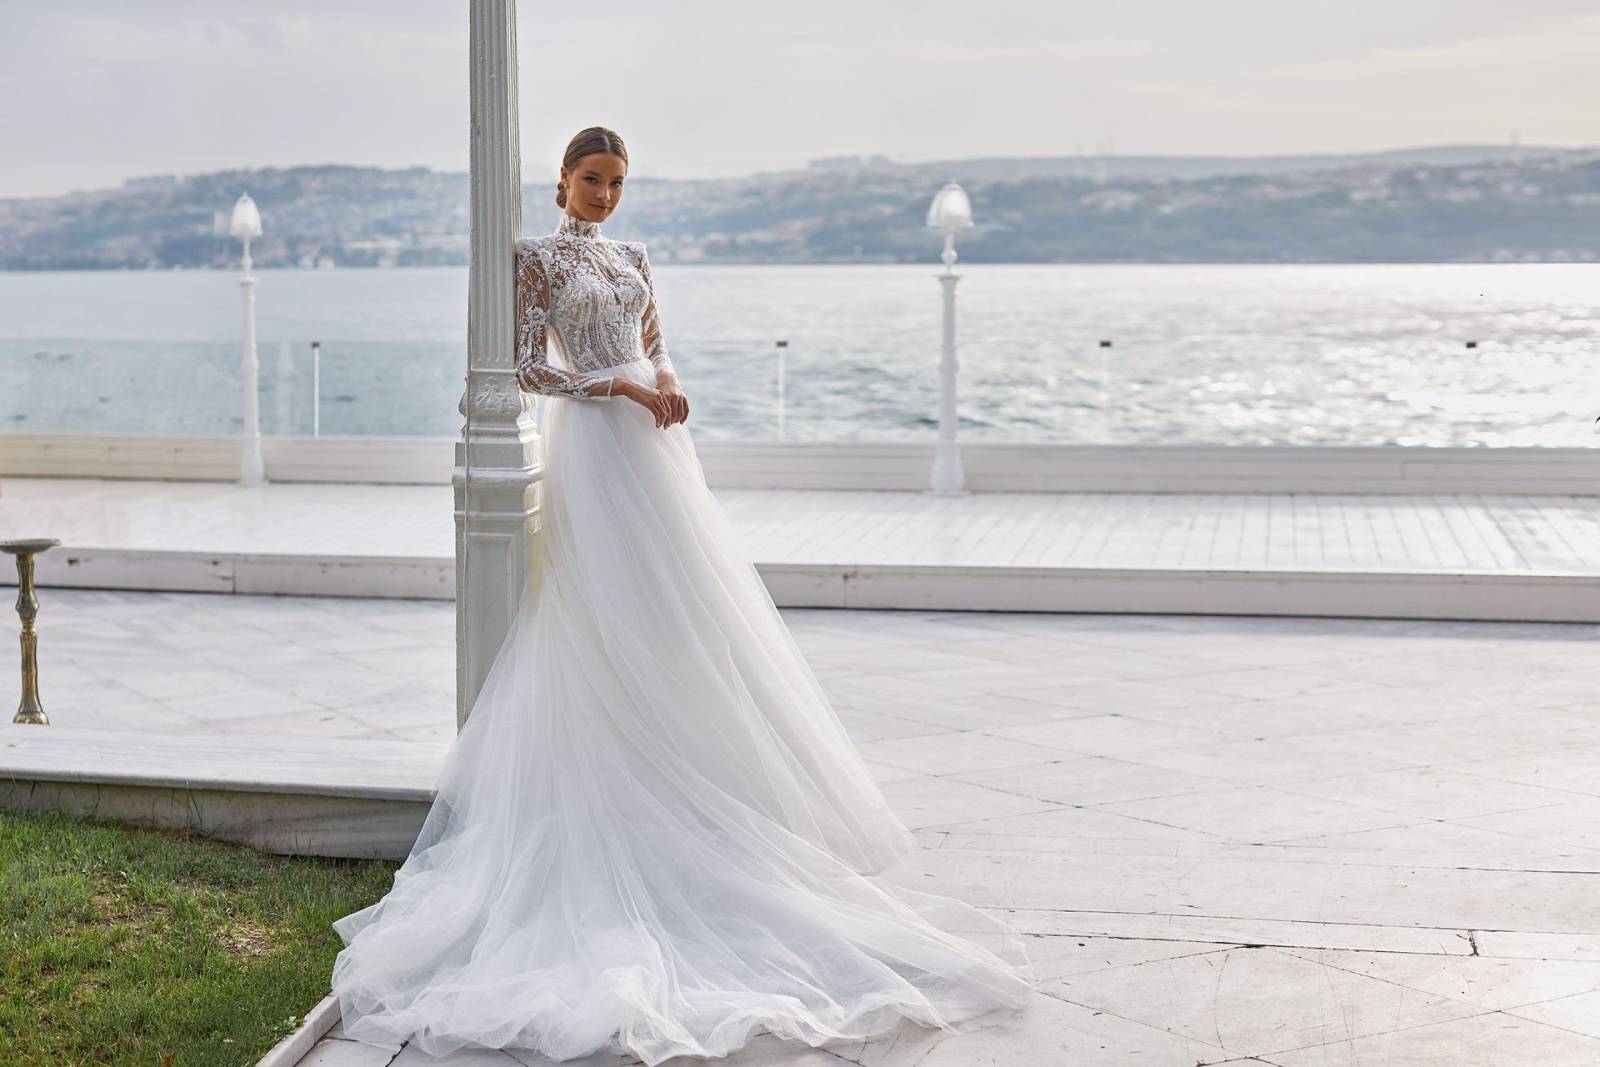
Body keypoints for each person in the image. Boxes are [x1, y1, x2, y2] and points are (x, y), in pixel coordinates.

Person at [329, 126, 1033, 1064]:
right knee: (601, 609)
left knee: (683, 612)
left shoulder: (633, 254)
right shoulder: (536, 259)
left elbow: (658, 342)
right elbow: (526, 368)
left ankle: (705, 792)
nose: (605, 195)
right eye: (592, 179)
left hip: (658, 445)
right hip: (596, 442)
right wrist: (616, 390)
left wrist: (662, 381)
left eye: (618, 182)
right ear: (562, 181)